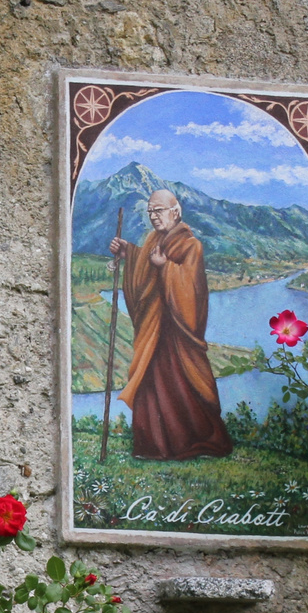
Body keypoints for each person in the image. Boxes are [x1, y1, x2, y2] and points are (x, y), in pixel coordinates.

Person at [109, 190, 233, 460]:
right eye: (150, 212)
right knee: (151, 385)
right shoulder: (154, 241)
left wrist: (165, 267)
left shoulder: (191, 245)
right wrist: (128, 251)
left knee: (181, 386)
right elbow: (145, 262)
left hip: (178, 334)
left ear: (176, 212)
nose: (154, 217)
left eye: (159, 210)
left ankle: (197, 442)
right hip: (154, 330)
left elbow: (191, 289)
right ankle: (153, 446)